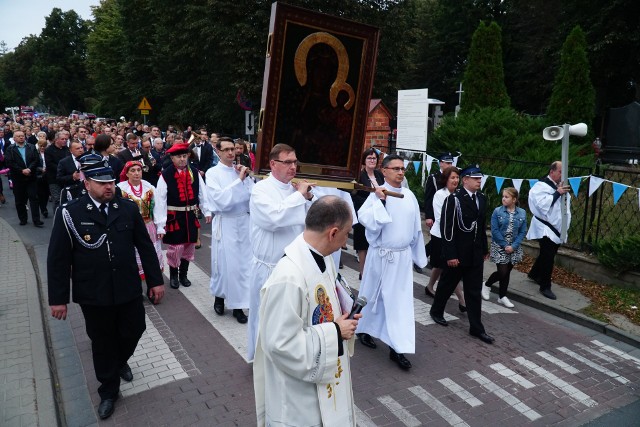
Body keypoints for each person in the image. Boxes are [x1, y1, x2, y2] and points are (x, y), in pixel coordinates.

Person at [47, 159, 165, 420]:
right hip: (94, 291)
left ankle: (119, 360)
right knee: (102, 341)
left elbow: (144, 246)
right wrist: (58, 299)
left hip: (127, 286)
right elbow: (57, 259)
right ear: (87, 184)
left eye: (111, 182)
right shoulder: (71, 212)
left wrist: (156, 280)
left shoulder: (127, 209)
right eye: (101, 183)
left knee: (135, 328)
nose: (108, 187)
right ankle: (108, 391)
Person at [253, 195, 359, 426]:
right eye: (346, 234)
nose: (345, 242)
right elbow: (279, 344)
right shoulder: (288, 276)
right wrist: (335, 331)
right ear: (332, 233)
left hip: (325, 374)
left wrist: (345, 314)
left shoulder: (322, 257)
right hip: (298, 398)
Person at [355, 154, 427, 370]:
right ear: (384, 171)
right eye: (395, 168)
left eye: (402, 168)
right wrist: (381, 201)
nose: (400, 172)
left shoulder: (410, 196)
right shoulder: (377, 195)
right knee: (371, 295)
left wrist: (417, 254)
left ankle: (398, 348)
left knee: (399, 303)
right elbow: (365, 219)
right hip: (380, 256)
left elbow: (416, 227)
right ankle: (364, 331)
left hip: (401, 258)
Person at [246, 143, 316, 361]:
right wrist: (299, 197)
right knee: (266, 318)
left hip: (294, 267)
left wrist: (308, 199)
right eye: (288, 162)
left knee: (292, 319)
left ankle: (288, 359)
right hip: (269, 268)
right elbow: (273, 219)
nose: (293, 167)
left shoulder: (296, 189)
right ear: (273, 164)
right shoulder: (260, 189)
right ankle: (262, 360)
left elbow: (308, 224)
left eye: (295, 162)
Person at [430, 165, 494, 344]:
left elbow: (481, 227)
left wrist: (484, 249)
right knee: (447, 284)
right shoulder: (454, 199)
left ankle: (476, 328)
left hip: (475, 253)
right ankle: (436, 311)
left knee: (474, 290)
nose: (479, 181)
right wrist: (450, 254)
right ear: (465, 180)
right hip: (457, 253)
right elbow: (447, 228)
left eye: (480, 178)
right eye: (475, 178)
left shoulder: (482, 198)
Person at [205, 137, 254, 323]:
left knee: (244, 266)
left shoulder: (240, 170)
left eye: (232, 149)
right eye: (225, 149)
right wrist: (238, 181)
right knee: (227, 266)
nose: (230, 153)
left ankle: (239, 304)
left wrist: (247, 178)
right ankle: (221, 298)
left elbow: (252, 195)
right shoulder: (212, 173)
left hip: (243, 222)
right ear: (218, 151)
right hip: (226, 223)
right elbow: (219, 200)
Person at [154, 142, 212, 289]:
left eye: (184, 156)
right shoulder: (165, 175)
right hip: (175, 216)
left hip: (191, 215)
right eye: (179, 157)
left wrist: (207, 211)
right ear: (172, 158)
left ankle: (183, 275)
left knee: (189, 246)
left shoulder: (194, 172)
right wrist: (160, 225)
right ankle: (173, 275)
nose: (182, 159)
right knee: (175, 247)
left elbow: (202, 193)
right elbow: (160, 200)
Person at [424, 166, 467, 313]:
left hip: (455, 237)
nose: (455, 180)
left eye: (457, 178)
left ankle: (430, 286)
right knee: (449, 268)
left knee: (441, 266)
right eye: (452, 178)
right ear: (446, 180)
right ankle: (462, 300)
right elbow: (442, 218)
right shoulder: (440, 195)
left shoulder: (460, 194)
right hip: (441, 236)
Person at [526, 161, 571, 300]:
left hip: (556, 227)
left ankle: (534, 274)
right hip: (545, 227)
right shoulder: (541, 186)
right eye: (560, 172)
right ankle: (545, 286)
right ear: (552, 172)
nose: (563, 175)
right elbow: (542, 204)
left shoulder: (559, 185)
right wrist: (557, 193)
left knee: (548, 252)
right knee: (548, 256)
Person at [117, 161, 164, 279]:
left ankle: (152, 284)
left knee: (150, 254)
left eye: (139, 170)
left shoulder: (150, 187)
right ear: (126, 173)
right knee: (133, 256)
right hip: (129, 228)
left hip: (149, 226)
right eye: (132, 171)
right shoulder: (120, 188)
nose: (136, 173)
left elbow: (158, 207)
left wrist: (160, 227)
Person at [482, 187, 527, 307]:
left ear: (514, 199)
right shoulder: (497, 211)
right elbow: (495, 230)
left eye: (506, 197)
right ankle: (486, 285)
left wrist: (514, 246)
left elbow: (522, 231)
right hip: (500, 246)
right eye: (503, 196)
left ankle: (502, 296)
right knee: (502, 272)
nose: (503, 199)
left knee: (507, 272)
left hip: (514, 247)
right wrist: (504, 245)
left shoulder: (522, 213)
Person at [350, 148, 384, 279]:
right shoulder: (359, 176)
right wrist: (370, 201)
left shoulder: (379, 175)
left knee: (375, 242)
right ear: (364, 161)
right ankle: (363, 272)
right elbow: (354, 196)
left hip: (378, 213)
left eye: (374, 158)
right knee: (362, 243)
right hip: (364, 213)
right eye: (369, 158)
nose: (372, 160)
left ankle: (374, 270)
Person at [4, 130, 43, 227]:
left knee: (34, 198)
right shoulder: (10, 149)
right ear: (14, 138)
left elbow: (36, 159)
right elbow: (10, 162)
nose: (21, 137)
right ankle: (23, 218)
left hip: (31, 177)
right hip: (18, 178)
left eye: (22, 135)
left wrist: (29, 169)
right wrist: (22, 170)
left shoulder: (31, 147)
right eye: (18, 136)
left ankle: (36, 220)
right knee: (20, 200)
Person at [44, 130, 70, 210]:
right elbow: (50, 164)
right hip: (54, 179)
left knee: (67, 200)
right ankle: (57, 217)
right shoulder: (49, 150)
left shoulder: (67, 149)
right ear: (56, 139)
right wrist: (62, 169)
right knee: (57, 200)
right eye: (62, 139)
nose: (65, 141)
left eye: (66, 139)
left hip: (66, 178)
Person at [35, 138, 50, 218]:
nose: (42, 148)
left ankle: (44, 206)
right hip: (39, 176)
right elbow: (34, 165)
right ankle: (43, 209)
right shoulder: (35, 153)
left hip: (47, 175)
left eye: (44, 146)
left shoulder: (48, 153)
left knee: (47, 193)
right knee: (40, 193)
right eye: (41, 146)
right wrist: (41, 169)